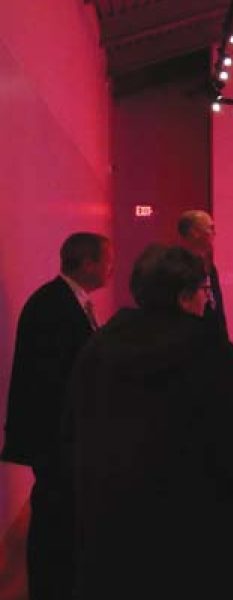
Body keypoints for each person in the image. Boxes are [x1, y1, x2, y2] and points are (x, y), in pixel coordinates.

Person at [65, 244, 233, 600]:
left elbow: (76, 429)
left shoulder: (99, 347)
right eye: (205, 290)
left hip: (113, 523)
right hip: (199, 529)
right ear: (184, 296)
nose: (209, 299)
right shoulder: (215, 353)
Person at [1, 232, 112, 600]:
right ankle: (50, 588)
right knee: (53, 512)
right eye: (106, 260)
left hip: (59, 436)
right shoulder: (55, 306)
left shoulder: (61, 301)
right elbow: (56, 380)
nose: (110, 268)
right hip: (55, 437)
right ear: (87, 263)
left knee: (58, 510)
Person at [177, 209, 227, 337]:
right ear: (194, 232)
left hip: (212, 336)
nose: (214, 233)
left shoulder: (209, 266)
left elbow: (217, 304)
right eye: (210, 228)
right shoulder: (176, 266)